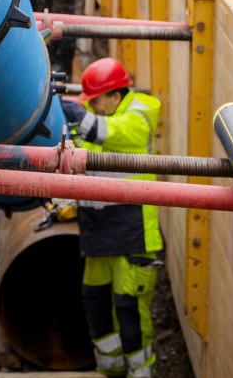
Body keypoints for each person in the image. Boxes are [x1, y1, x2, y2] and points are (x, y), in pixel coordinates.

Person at [60, 58, 164, 378]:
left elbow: (110, 133)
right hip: (99, 232)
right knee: (96, 301)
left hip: (134, 232)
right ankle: (111, 368)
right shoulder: (104, 119)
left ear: (114, 97)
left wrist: (73, 112)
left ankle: (140, 372)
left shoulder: (138, 115)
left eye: (95, 101)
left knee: (128, 307)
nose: (92, 107)